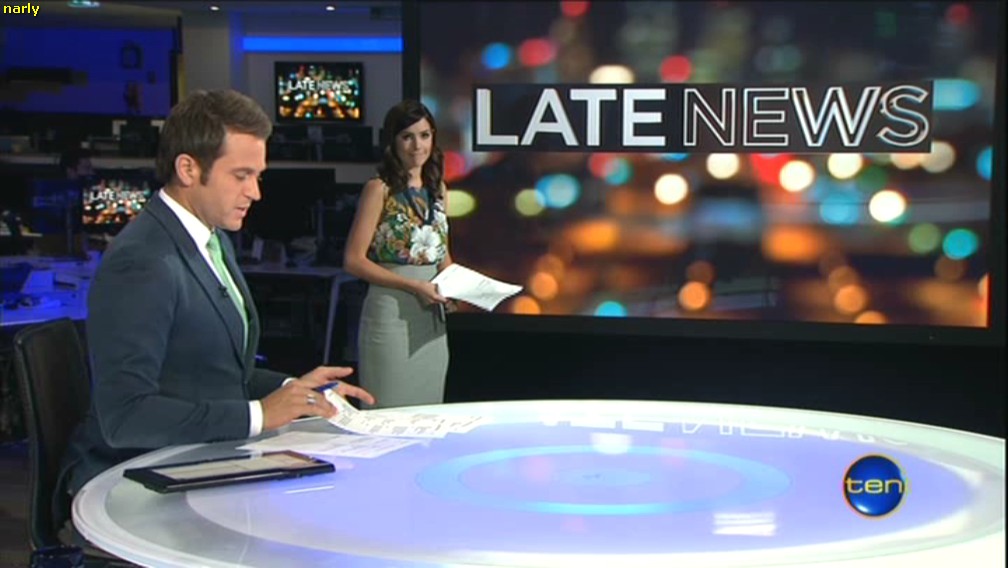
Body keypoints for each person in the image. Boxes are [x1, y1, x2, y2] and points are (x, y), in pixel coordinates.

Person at [58, 89, 376, 535]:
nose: (255, 193)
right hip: (134, 481)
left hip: (200, 459)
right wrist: (260, 415)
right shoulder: (144, 260)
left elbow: (215, 373)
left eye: (258, 176)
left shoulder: (212, 238)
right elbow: (125, 417)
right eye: (241, 176)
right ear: (188, 169)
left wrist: (295, 391)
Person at [344, 100, 452, 408]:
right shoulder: (379, 189)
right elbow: (353, 260)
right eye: (407, 137)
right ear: (393, 141)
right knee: (388, 409)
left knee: (429, 412)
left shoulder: (439, 190)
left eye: (424, 135)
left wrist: (454, 288)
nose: (417, 146)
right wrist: (413, 286)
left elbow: (442, 254)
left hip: (431, 318)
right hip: (391, 314)